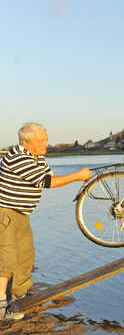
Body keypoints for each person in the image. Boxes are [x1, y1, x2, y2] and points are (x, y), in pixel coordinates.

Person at [0, 123, 92, 322]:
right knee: (6, 259)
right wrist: (77, 176)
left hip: (21, 213)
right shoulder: (17, 156)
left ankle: (20, 293)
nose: (45, 144)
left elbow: (51, 176)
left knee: (26, 254)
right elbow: (45, 182)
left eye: (46, 140)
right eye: (41, 141)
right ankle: (1, 308)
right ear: (25, 142)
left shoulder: (37, 157)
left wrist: (81, 176)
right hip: (4, 212)